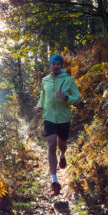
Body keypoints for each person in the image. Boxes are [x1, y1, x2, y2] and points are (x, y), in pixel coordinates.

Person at [34, 54, 80, 196]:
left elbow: (77, 98)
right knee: (51, 144)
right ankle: (54, 181)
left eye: (58, 64)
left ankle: (62, 155)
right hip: (49, 118)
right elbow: (43, 95)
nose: (55, 66)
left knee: (62, 144)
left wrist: (66, 98)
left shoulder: (68, 80)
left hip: (64, 118)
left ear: (61, 66)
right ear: (51, 65)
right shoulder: (45, 80)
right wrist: (39, 105)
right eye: (53, 64)